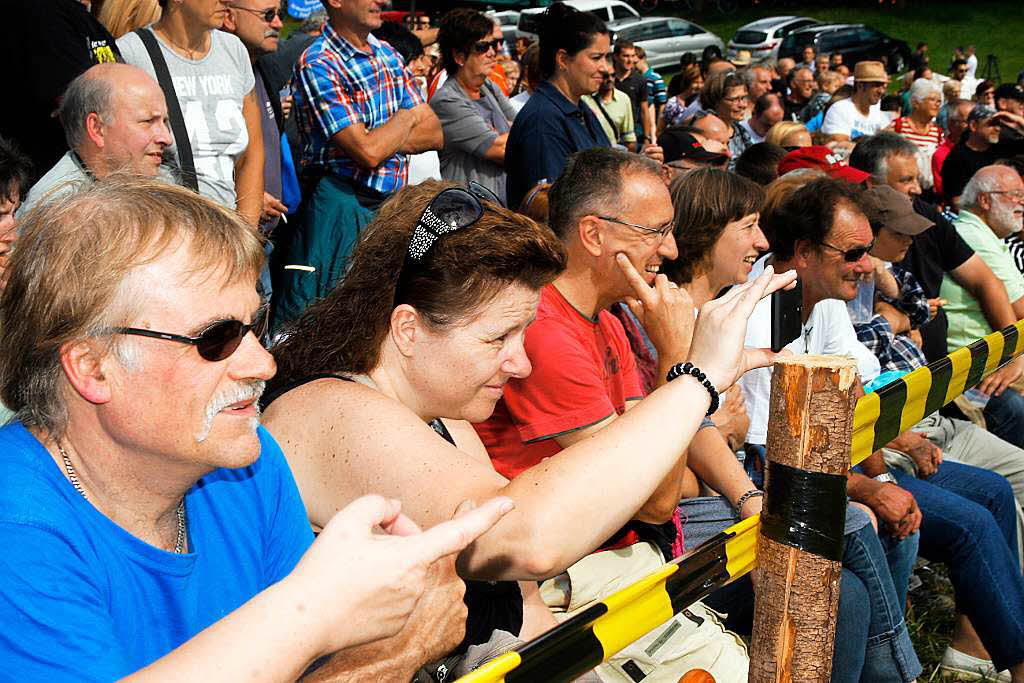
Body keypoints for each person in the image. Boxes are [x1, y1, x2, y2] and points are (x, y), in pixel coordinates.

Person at [261, 175, 796, 682]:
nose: (521, 364)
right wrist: (694, 381)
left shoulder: (441, 414)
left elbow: (524, 604)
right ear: (408, 327)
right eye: (499, 338)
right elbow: (523, 540)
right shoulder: (332, 411)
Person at [0, 175, 516, 680]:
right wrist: (371, 650)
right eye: (216, 338)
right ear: (92, 368)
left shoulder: (246, 461)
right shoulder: (18, 531)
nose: (263, 364)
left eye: (255, 324)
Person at [475, 152, 756, 681]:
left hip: (618, 552)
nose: (669, 250)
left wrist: (745, 496)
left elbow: (648, 443)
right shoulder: (544, 330)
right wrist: (679, 362)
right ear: (595, 235)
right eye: (655, 232)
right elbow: (653, 501)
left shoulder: (605, 314)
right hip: (574, 572)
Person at [743, 175, 1024, 683]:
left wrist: (882, 476)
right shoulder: (758, 319)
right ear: (804, 251)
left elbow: (861, 393)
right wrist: (873, 486)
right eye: (853, 253)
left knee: (993, 491)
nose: (868, 266)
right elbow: (769, 457)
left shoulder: (821, 296)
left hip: (846, 462)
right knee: (954, 524)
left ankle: (977, 648)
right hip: (792, 486)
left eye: (869, 251)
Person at [661, 168, 922, 683]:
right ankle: (899, 671)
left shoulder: (740, 306)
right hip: (705, 508)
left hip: (744, 486)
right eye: (749, 226)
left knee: (879, 526)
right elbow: (698, 463)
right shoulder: (692, 314)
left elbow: (851, 392)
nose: (762, 244)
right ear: (711, 230)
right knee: (851, 531)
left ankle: (898, 667)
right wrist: (734, 461)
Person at [270, 0, 442, 329]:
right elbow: (367, 152)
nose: (383, 1)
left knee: (378, 318)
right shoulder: (318, 61)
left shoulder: (388, 55)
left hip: (390, 207)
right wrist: (406, 117)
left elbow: (434, 134)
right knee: (317, 324)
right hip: (337, 207)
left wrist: (380, 137)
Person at [850, 133, 1024, 450]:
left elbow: (984, 281)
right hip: (908, 390)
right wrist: (900, 322)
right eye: (906, 179)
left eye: (917, 178)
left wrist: (1012, 354)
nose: (919, 188)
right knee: (1013, 412)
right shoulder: (856, 254)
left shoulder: (927, 217)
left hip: (940, 375)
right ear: (871, 187)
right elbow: (861, 337)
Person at [117, 0, 264, 227]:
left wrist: (248, 232)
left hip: (229, 231)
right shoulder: (131, 52)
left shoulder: (234, 50)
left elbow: (252, 152)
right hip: (165, 231)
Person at [19, 64, 173, 215]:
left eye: (164, 122)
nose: (167, 138)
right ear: (97, 129)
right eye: (148, 121)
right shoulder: (59, 211)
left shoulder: (163, 181)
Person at [504, 4, 611, 210]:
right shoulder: (543, 120)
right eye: (596, 57)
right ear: (563, 59)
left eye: (606, 57)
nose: (605, 68)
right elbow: (549, 208)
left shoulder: (580, 108)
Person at [0, 0, 120, 179]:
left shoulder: (82, 17)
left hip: (88, 179)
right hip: (54, 181)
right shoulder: (41, 14)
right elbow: (76, 101)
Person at [430, 9, 516, 204]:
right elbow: (501, 150)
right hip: (473, 215)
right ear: (459, 56)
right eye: (482, 47)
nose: (493, 52)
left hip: (503, 208)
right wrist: (508, 136)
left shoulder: (489, 87)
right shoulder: (446, 100)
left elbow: (522, 126)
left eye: (494, 44)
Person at [223, 0, 290, 235]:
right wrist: (246, 196)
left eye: (280, 14)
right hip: (230, 236)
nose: (278, 23)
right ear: (230, 17)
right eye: (268, 14)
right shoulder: (217, 78)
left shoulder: (266, 71)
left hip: (263, 238)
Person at [941, 165, 1024, 351]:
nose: (1022, 202)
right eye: (1015, 194)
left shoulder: (987, 235)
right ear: (985, 200)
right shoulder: (972, 236)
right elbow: (1021, 311)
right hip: (980, 363)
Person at [941, 105, 1024, 208]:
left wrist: (1018, 121)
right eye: (991, 124)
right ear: (974, 126)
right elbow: (957, 201)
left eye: (999, 124)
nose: (997, 129)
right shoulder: (957, 157)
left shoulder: (1002, 147)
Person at [889, 78, 943, 191]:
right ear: (916, 103)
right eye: (932, 99)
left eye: (939, 101)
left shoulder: (937, 133)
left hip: (928, 191)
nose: (937, 104)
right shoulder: (897, 127)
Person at [821, 61, 890, 141]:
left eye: (883, 86)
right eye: (876, 85)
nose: (881, 91)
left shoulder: (877, 112)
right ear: (860, 86)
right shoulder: (840, 109)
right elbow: (838, 145)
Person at [701, 71, 752, 160]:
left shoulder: (740, 131)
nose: (743, 105)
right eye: (735, 99)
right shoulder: (707, 132)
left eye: (744, 98)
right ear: (716, 100)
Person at [583, 68, 637, 150]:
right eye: (605, 76)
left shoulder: (623, 99)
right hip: (591, 150)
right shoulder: (585, 99)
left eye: (613, 75)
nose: (610, 79)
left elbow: (629, 136)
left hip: (613, 152)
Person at [932, 99, 975, 201]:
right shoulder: (942, 155)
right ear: (951, 124)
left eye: (977, 121)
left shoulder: (987, 148)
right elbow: (944, 193)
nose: (973, 127)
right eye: (967, 122)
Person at [612, 41, 652, 148]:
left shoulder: (640, 80)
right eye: (625, 56)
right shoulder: (607, 78)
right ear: (615, 57)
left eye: (633, 56)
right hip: (610, 132)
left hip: (632, 134)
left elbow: (645, 111)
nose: (630, 60)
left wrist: (647, 138)